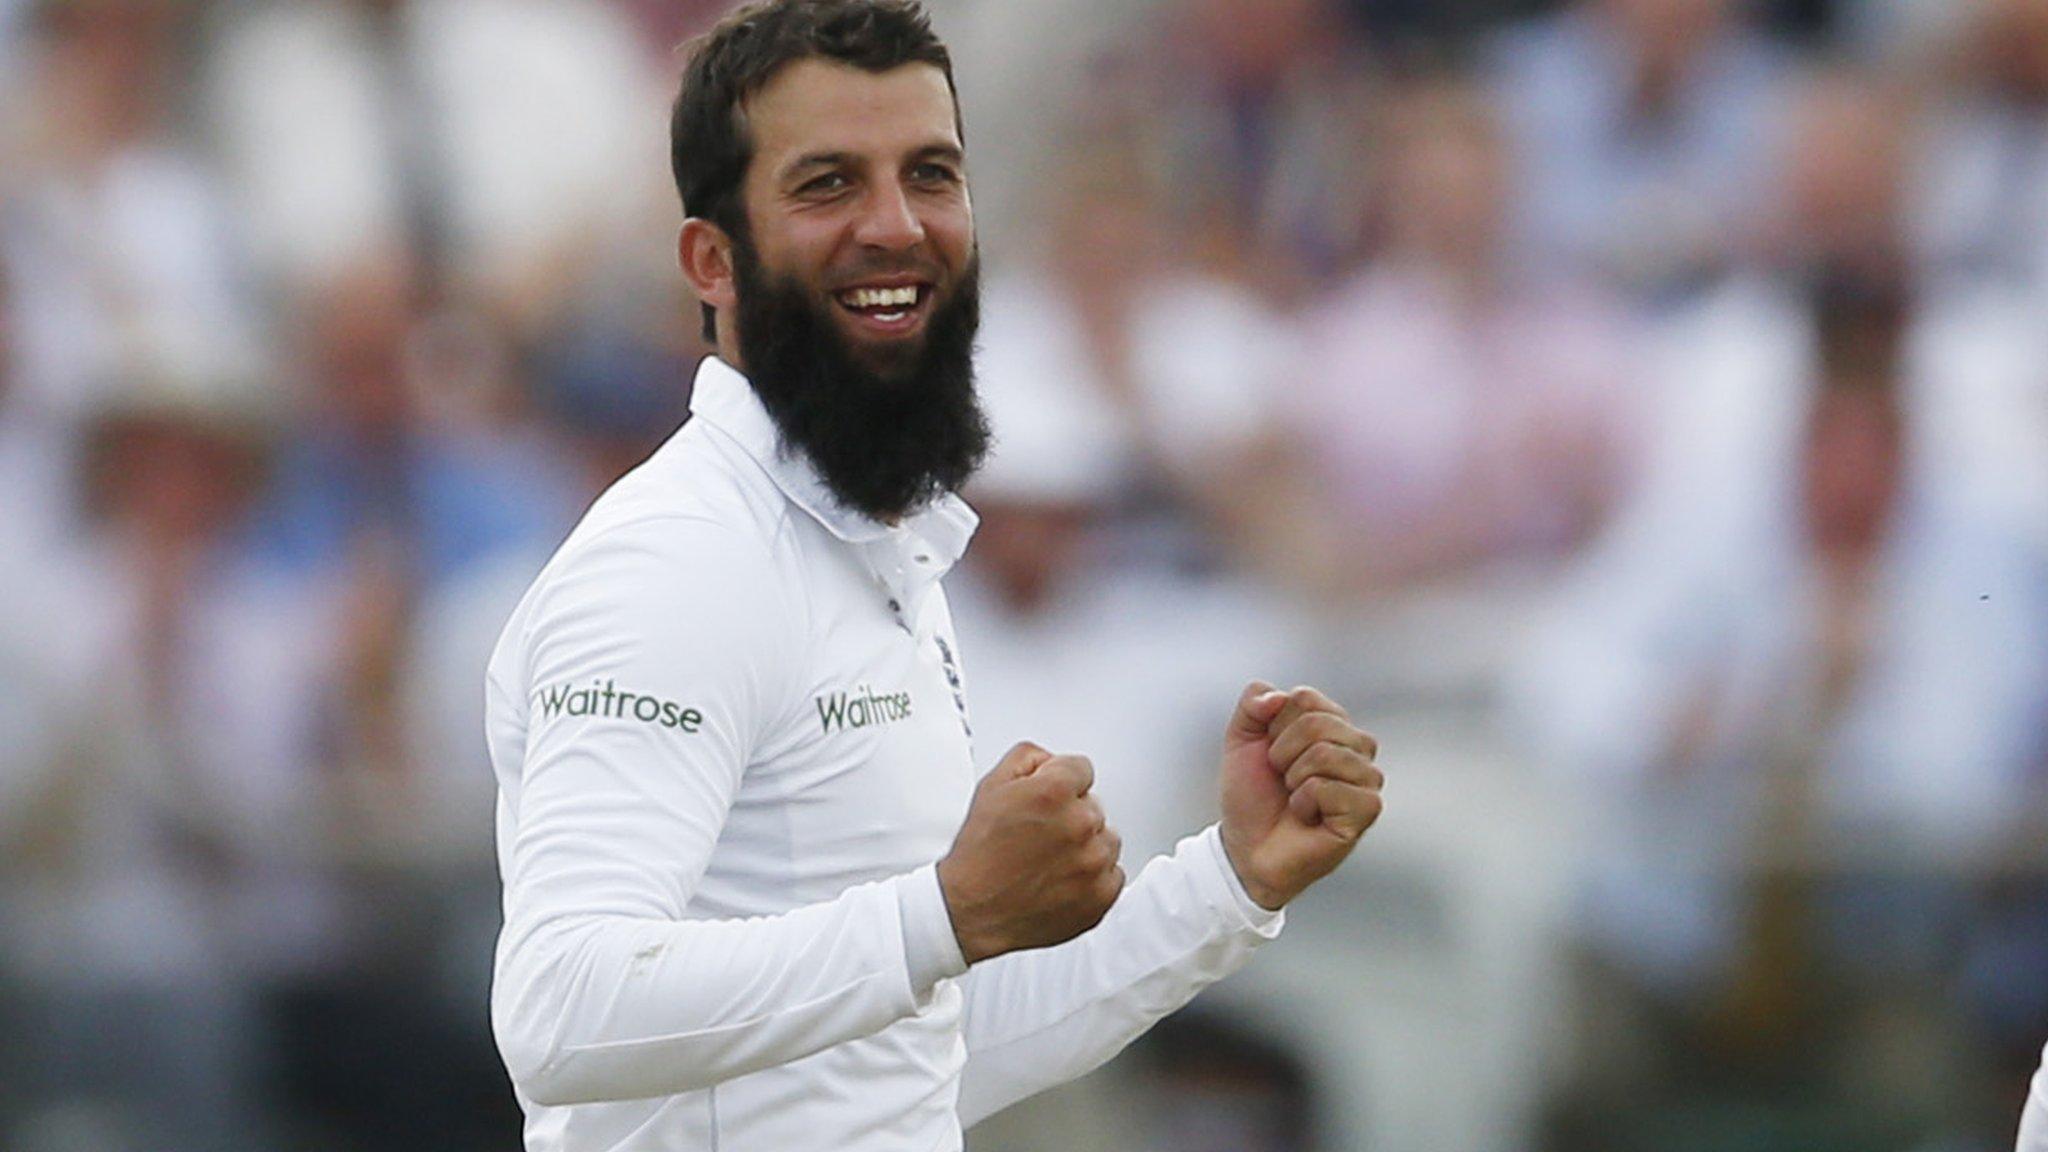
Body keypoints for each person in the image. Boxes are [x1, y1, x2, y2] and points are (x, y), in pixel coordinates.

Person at [482, 3, 1387, 1151]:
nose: (897, 226)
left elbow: (907, 1063)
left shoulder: (871, 551)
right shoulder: (674, 561)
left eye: (930, 174)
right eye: (826, 186)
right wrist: (944, 913)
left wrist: (1227, 883)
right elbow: (560, 1014)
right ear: (712, 261)